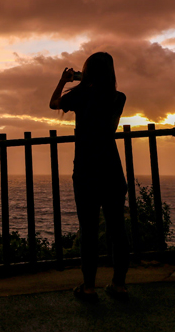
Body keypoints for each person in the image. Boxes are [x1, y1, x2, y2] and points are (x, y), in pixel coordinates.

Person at [49, 52, 129, 303]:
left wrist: (65, 81)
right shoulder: (119, 98)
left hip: (86, 169)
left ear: (89, 72)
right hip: (112, 168)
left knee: (89, 229)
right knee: (117, 228)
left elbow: (54, 104)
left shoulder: (82, 95)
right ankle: (119, 284)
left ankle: (89, 287)